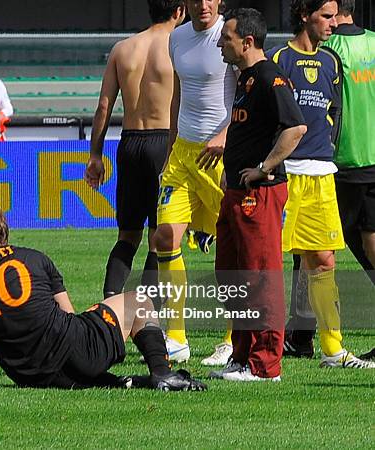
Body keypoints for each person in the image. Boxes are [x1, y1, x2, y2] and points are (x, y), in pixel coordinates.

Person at [0, 202, 207, 391]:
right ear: (4, 232)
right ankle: (162, 372)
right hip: (76, 351)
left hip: (28, 374)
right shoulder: (36, 258)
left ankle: (118, 382)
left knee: (80, 355)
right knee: (139, 300)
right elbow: (67, 313)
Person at [268, 0, 374, 369]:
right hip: (287, 175)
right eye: (326, 17)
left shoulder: (331, 62)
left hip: (322, 173)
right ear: (304, 16)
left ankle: (333, 349)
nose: (334, 23)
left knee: (324, 260)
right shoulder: (279, 58)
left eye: (334, 15)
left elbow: (335, 114)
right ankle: (235, 341)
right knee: (264, 260)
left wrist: (327, 149)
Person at [213, 8, 307, 381]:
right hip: (236, 191)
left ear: (247, 42)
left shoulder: (269, 76)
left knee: (260, 275)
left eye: (226, 38)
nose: (221, 44)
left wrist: (264, 168)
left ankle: (265, 364)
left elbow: (295, 128)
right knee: (232, 273)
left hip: (261, 193)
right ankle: (242, 354)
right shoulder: (245, 78)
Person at [152, 0, 236, 365]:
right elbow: (178, 96)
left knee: (233, 246)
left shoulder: (232, 36)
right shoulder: (177, 37)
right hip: (183, 155)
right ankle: (175, 337)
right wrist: (170, 148)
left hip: (219, 155)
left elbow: (247, 93)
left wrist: (227, 136)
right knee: (165, 236)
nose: (203, 5)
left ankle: (235, 338)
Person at [84, 1, 185, 305]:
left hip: (128, 144)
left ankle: (109, 302)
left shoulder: (123, 48)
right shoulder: (178, 48)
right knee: (160, 239)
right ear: (179, 11)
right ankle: (149, 311)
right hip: (162, 144)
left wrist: (95, 156)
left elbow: (104, 105)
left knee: (127, 235)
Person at [324, 0, 375, 362]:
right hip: (372, 160)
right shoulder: (374, 42)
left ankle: (301, 335)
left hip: (338, 162)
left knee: (315, 251)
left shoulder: (327, 50)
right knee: (367, 247)